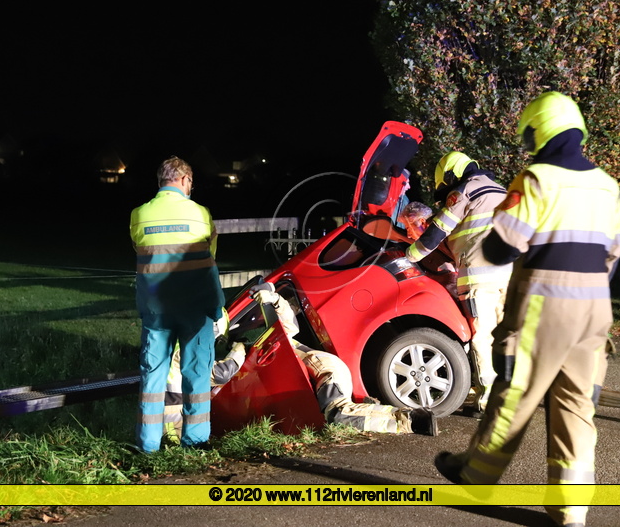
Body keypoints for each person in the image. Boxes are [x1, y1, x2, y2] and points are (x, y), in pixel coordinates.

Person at [434, 92, 620, 527]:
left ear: (540, 132)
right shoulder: (607, 186)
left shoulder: (535, 179)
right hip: (596, 310)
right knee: (577, 408)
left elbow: (501, 247)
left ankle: (476, 476)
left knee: (515, 393)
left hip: (545, 304)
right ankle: (570, 511)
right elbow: (613, 256)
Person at [251, 284, 438, 436]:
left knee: (338, 414)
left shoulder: (264, 343)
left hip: (325, 371)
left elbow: (289, 325)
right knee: (337, 412)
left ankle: (411, 420)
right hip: (326, 372)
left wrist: (275, 299)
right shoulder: (260, 347)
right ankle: (371, 407)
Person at [404, 151, 512, 414]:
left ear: (451, 176)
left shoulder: (464, 192)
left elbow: (437, 232)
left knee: (483, 336)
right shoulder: (501, 191)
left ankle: (489, 400)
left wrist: (409, 255)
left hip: (480, 278)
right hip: (510, 274)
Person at [130, 156, 224, 452]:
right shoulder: (201, 214)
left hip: (156, 309)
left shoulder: (139, 215)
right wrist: (217, 307)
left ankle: (147, 445)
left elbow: (141, 250)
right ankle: (194, 442)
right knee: (196, 375)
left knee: (152, 376)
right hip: (196, 308)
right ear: (184, 180)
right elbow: (210, 258)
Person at [164, 310, 247, 443]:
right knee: (178, 448)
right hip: (172, 417)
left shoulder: (179, 340)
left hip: (164, 408)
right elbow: (220, 374)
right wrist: (239, 351)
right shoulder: (188, 348)